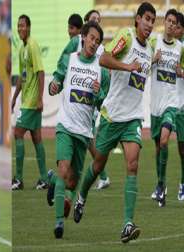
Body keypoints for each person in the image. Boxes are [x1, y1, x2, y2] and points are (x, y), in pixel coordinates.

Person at [73, 2, 156, 243]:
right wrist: (127, 66)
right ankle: (81, 197)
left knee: (132, 165)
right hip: (112, 116)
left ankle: (127, 225)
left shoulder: (150, 50)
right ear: (137, 19)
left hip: (133, 118)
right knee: (98, 166)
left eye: (153, 20)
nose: (150, 24)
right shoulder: (126, 37)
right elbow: (104, 59)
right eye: (147, 19)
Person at [48, 21, 109, 238]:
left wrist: (98, 93)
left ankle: (51, 181)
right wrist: (53, 86)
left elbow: (103, 102)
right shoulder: (70, 59)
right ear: (83, 37)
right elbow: (55, 82)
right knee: (64, 170)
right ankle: (58, 224)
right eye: (92, 38)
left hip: (84, 133)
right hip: (65, 126)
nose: (94, 43)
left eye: (98, 41)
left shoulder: (101, 70)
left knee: (71, 182)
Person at [149, 9, 183, 207]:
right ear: (164, 22)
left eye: (174, 22)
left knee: (163, 141)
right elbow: (143, 66)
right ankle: (161, 184)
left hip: (172, 103)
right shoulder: (154, 43)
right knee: (157, 146)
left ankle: (162, 186)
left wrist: (181, 71)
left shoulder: (180, 47)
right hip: (155, 104)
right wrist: (153, 59)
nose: (171, 24)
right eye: (168, 21)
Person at [11, 14, 48, 190]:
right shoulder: (21, 49)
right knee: (36, 138)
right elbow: (21, 76)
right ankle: (44, 179)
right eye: (18, 26)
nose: (20, 29)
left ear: (29, 27)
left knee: (18, 133)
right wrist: (14, 97)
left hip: (32, 102)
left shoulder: (33, 45)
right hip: (26, 100)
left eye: (23, 26)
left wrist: (40, 98)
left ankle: (18, 179)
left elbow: (41, 72)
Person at [175, 11, 184, 201]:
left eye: (177, 26)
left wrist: (181, 72)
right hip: (173, 103)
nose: (173, 28)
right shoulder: (171, 46)